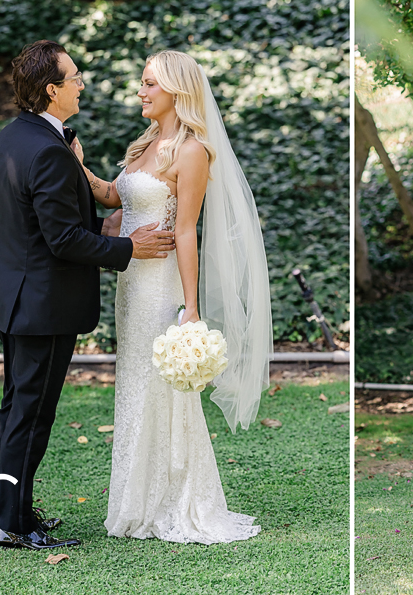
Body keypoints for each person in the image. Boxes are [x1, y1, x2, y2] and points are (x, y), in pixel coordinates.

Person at [76, 50, 272, 543]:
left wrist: (192, 307)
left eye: (149, 84)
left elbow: (186, 232)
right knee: (136, 385)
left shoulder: (191, 151)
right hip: (130, 283)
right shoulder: (143, 145)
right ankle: (135, 500)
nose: (140, 92)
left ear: (176, 92)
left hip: (161, 285)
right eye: (141, 84)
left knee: (162, 390)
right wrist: (76, 164)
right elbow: (111, 197)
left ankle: (176, 500)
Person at [0, 40, 176, 550]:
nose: (81, 83)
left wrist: (103, 222)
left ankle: (17, 511)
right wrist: (126, 246)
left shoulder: (14, 138)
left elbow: (46, 222)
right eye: (73, 77)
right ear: (52, 90)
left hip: (18, 298)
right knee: (30, 415)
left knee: (18, 411)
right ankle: (12, 525)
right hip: (43, 306)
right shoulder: (48, 149)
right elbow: (62, 240)